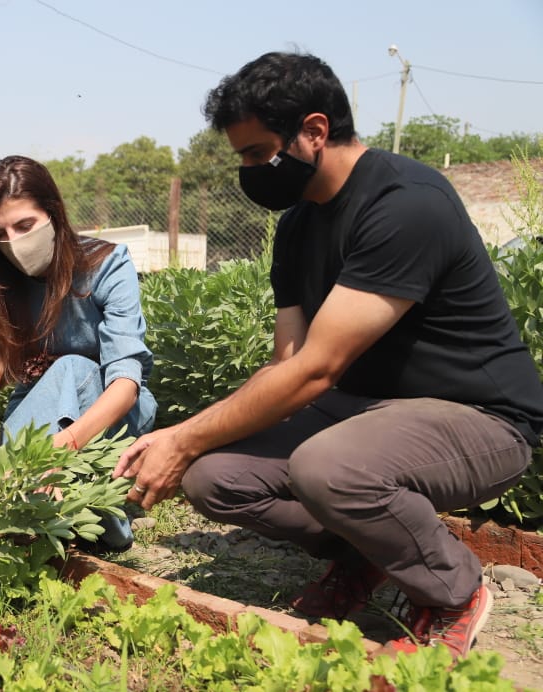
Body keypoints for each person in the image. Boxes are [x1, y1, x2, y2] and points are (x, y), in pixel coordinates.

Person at [113, 51, 543, 658]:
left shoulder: (406, 203)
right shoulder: (297, 225)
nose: (252, 170)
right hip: (362, 411)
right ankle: (370, 557)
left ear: (314, 131)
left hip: (478, 416)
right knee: (215, 478)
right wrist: (192, 443)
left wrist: (181, 436)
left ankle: (454, 589)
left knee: (329, 468)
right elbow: (288, 362)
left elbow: (316, 371)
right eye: (243, 157)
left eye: (259, 153)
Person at [0, 155, 157, 551]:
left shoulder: (107, 265)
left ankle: (63, 512)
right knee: (17, 473)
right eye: (0, 232)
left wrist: (59, 449)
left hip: (114, 418)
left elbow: (127, 382)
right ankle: (59, 514)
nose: (14, 241)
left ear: (54, 214)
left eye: (24, 225)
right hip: (43, 413)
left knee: (72, 369)